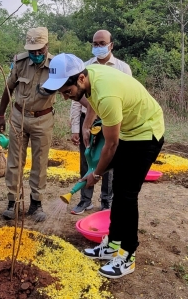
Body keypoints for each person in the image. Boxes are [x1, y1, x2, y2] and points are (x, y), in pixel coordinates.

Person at [42, 53, 164, 279]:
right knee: (119, 192)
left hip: (146, 134)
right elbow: (92, 109)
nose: (66, 97)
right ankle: (112, 244)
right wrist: (93, 165)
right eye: (61, 94)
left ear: (80, 79)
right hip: (130, 131)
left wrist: (96, 174)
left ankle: (127, 255)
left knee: (127, 195)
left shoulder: (106, 93)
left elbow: (111, 144)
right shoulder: (90, 77)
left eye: (67, 92)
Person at [0, 27, 55, 222]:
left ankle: (36, 204)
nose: (36, 54)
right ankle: (13, 202)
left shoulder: (56, 66)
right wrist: (1, 115)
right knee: (14, 161)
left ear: (47, 46)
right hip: (18, 117)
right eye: (33, 51)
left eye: (40, 50)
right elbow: (8, 88)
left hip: (43, 119)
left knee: (39, 163)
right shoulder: (20, 62)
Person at [70, 29, 132, 215]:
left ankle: (106, 201)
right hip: (87, 120)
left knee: (109, 159)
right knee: (86, 159)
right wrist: (76, 128)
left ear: (111, 45)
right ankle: (85, 200)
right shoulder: (84, 67)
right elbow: (76, 98)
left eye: (102, 43)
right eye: (95, 44)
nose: (98, 47)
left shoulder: (123, 68)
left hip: (111, 120)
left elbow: (127, 97)